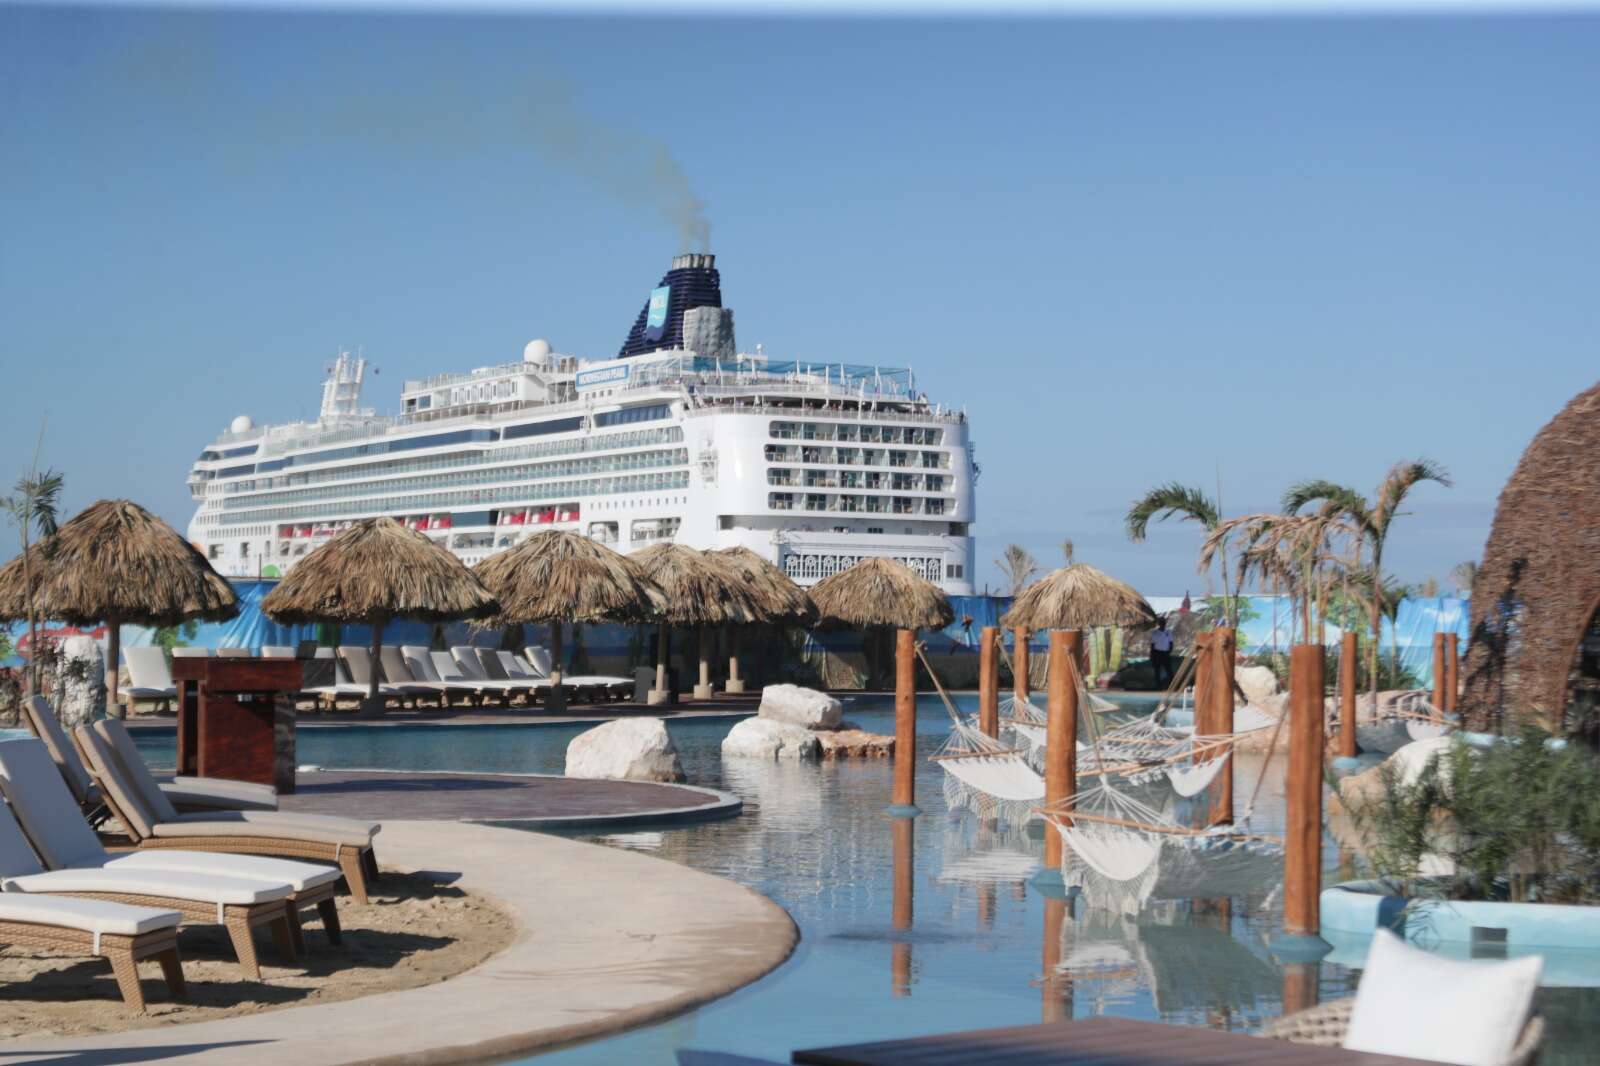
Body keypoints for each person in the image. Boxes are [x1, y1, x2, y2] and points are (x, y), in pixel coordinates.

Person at [1150, 618, 1175, 687]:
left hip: (1165, 653)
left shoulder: (1168, 632)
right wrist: (1152, 654)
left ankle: (1172, 685)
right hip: (1157, 653)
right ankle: (1158, 685)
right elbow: (1152, 644)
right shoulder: (1155, 632)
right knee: (1157, 670)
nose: (1162, 624)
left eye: (1163, 623)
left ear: (1165, 624)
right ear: (1159, 624)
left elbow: (1171, 643)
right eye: (1161, 623)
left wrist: (1169, 651)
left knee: (1169, 669)